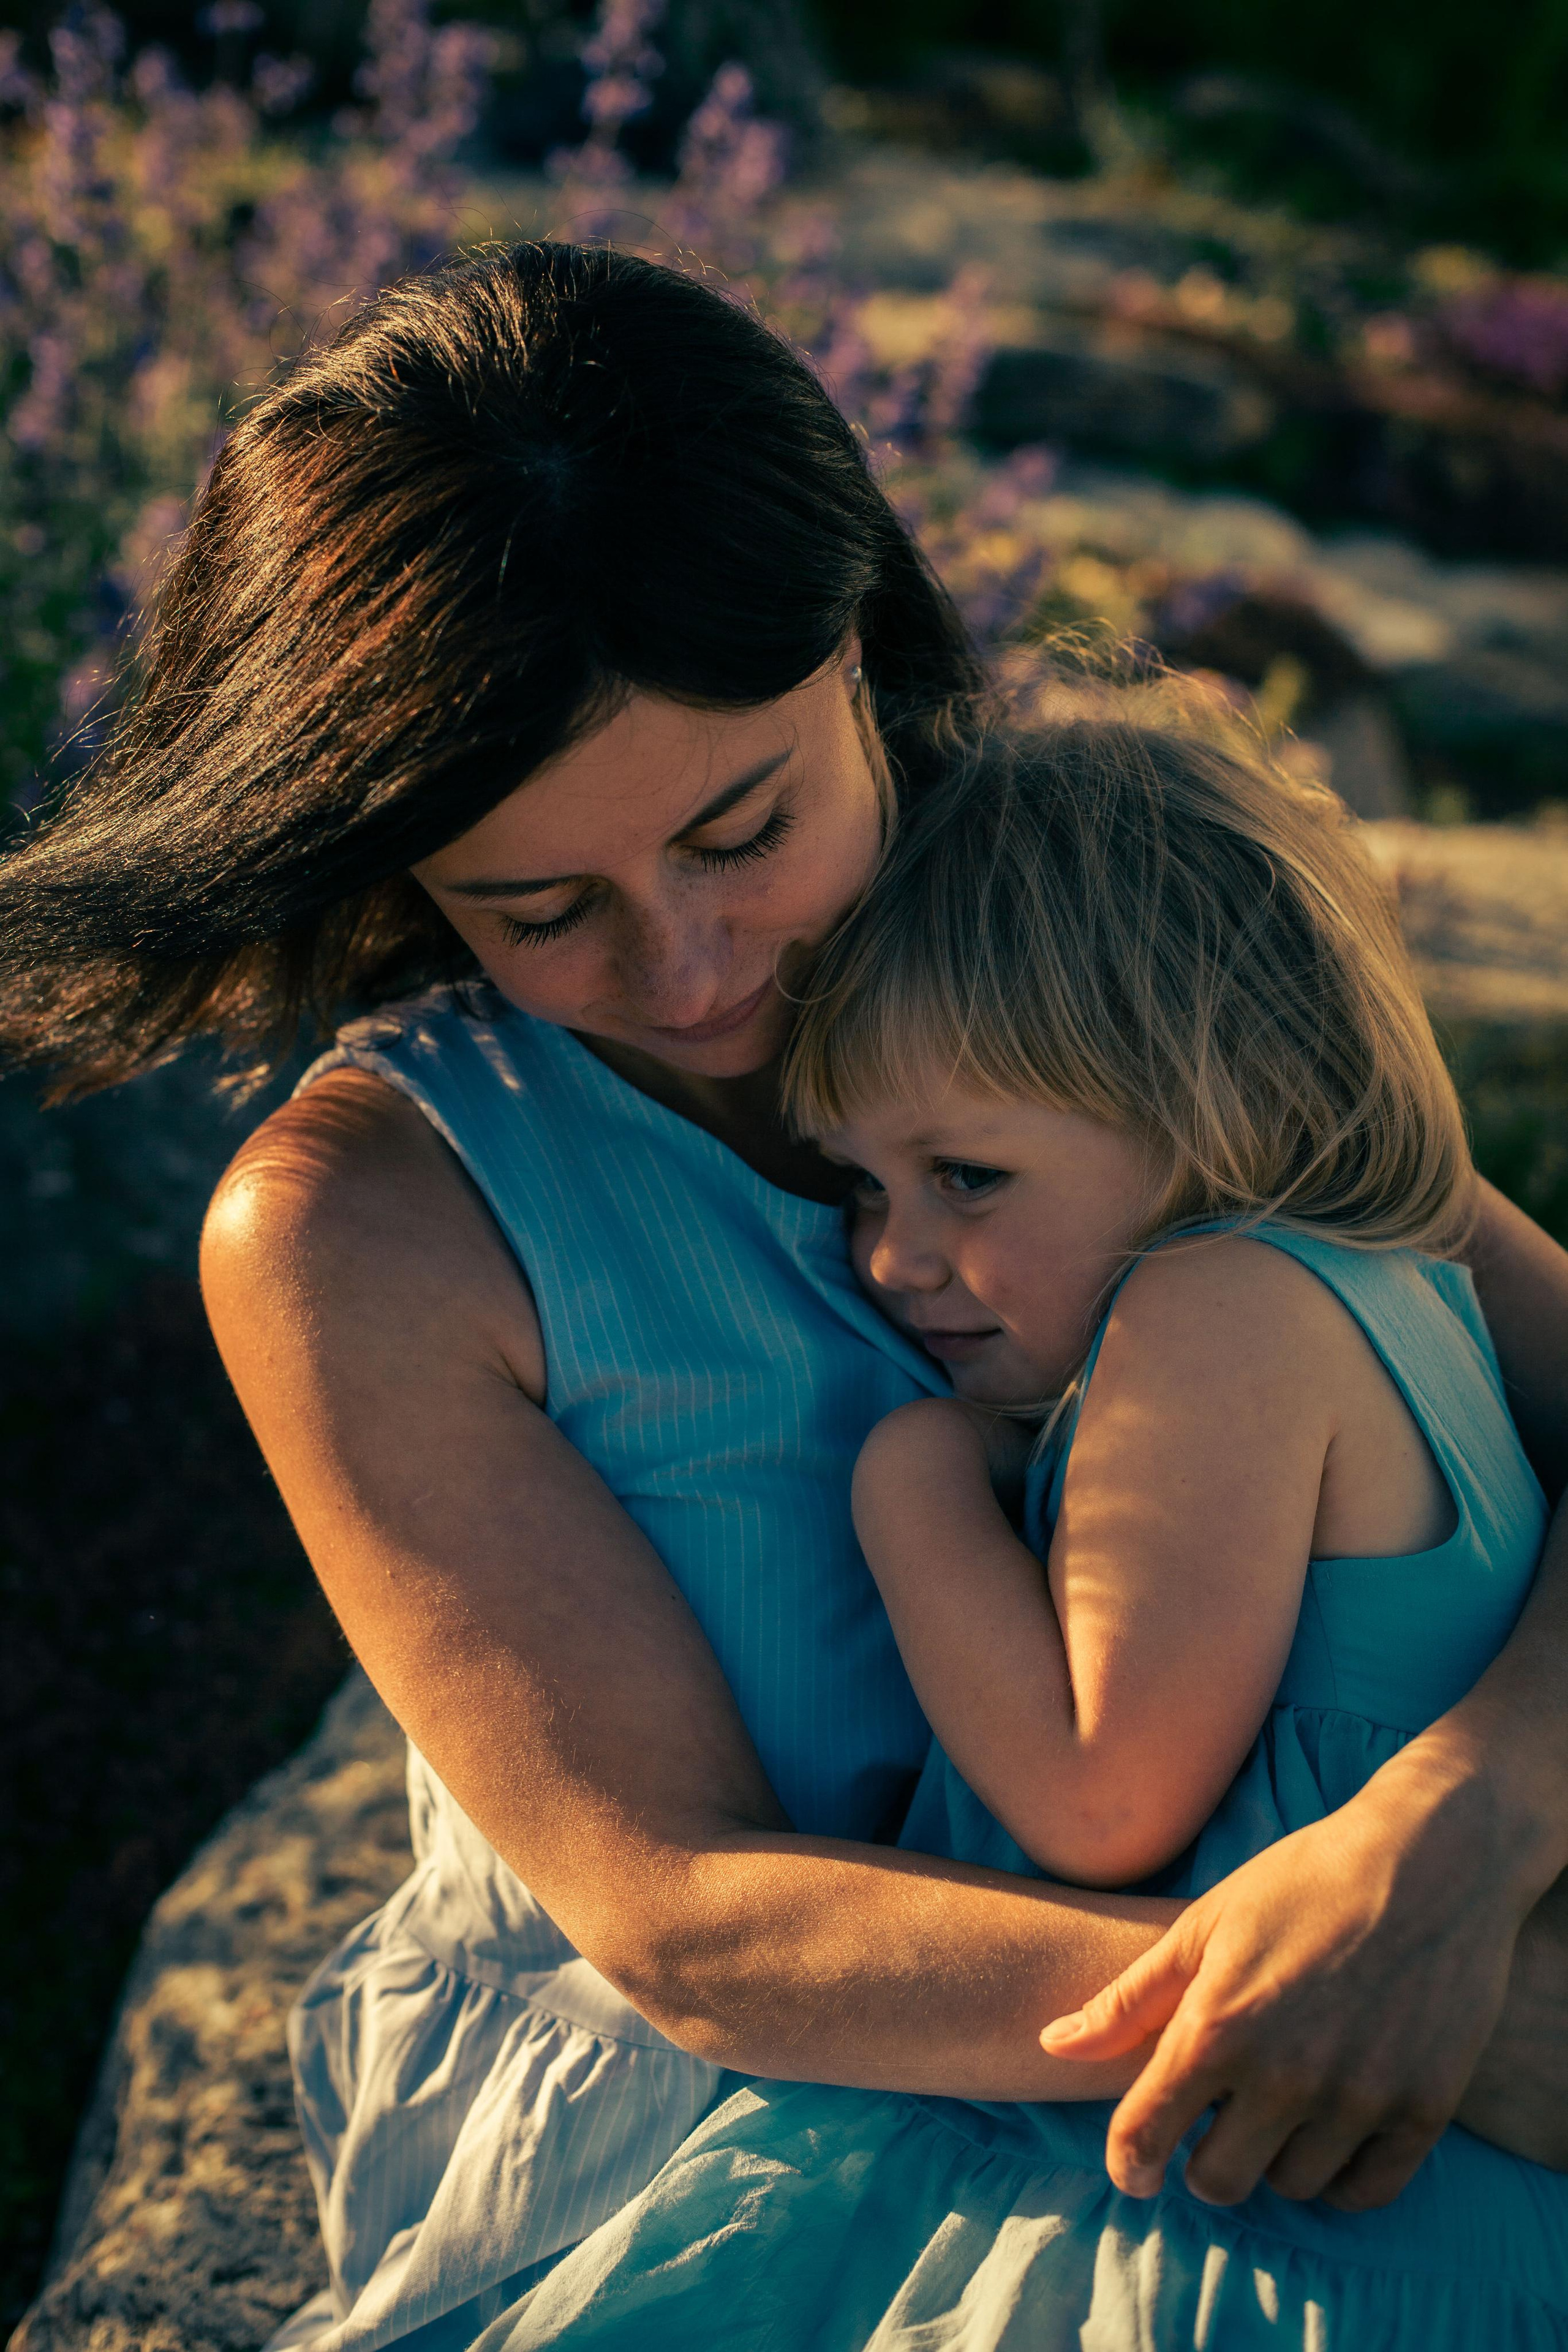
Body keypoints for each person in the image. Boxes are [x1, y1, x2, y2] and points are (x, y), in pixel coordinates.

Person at [2, 244, 1567, 2352]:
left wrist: (1466, 1834)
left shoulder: (1091, 936)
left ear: (855, 648)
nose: (696, 972)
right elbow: (689, 1920)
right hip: (739, 2109)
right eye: (541, 909)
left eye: (745, 829)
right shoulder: (367, 1224)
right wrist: (1406, 2031)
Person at [489, 718, 1568, 2347]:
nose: (895, 1259)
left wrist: (911, 1483)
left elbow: (1098, 1794)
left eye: (969, 1177)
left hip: (1255, 2233)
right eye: (861, 1185)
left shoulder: (1215, 1312)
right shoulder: (1394, 1292)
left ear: (1223, 1103)